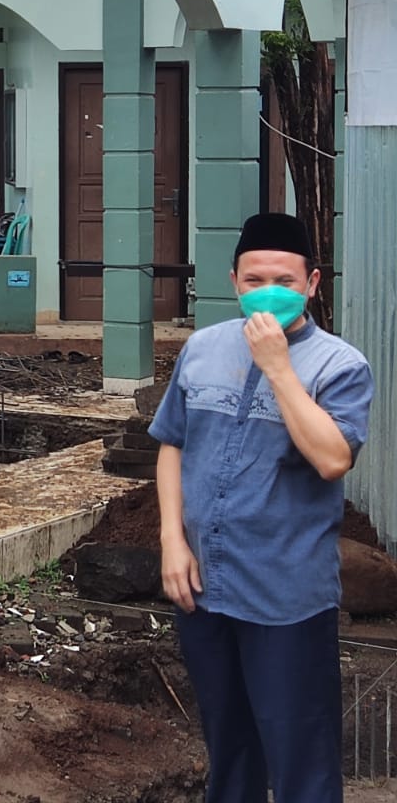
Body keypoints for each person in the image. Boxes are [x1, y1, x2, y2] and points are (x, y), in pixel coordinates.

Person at [151, 212, 372, 803]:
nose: (267, 291)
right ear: (233, 282)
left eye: (284, 280)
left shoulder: (340, 366)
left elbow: (332, 458)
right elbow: (173, 443)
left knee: (302, 761)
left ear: (312, 284)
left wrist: (278, 367)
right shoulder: (202, 349)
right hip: (203, 589)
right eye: (253, 280)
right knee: (229, 751)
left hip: (286, 597)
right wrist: (171, 540)